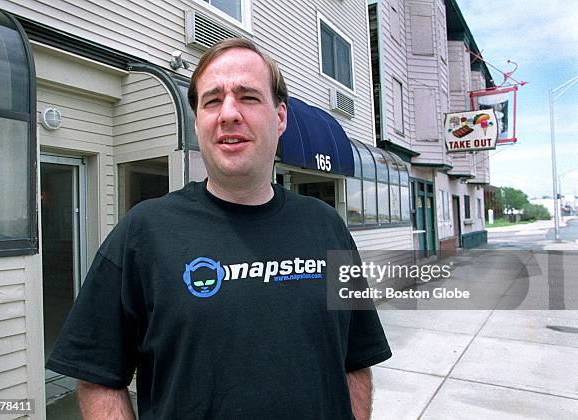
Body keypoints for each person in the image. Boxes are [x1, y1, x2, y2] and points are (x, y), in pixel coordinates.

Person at [46, 38, 391, 419]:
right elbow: (98, 377)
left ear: (280, 117)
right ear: (197, 122)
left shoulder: (328, 228)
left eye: (247, 97)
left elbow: (357, 359)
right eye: (212, 100)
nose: (228, 113)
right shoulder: (143, 234)